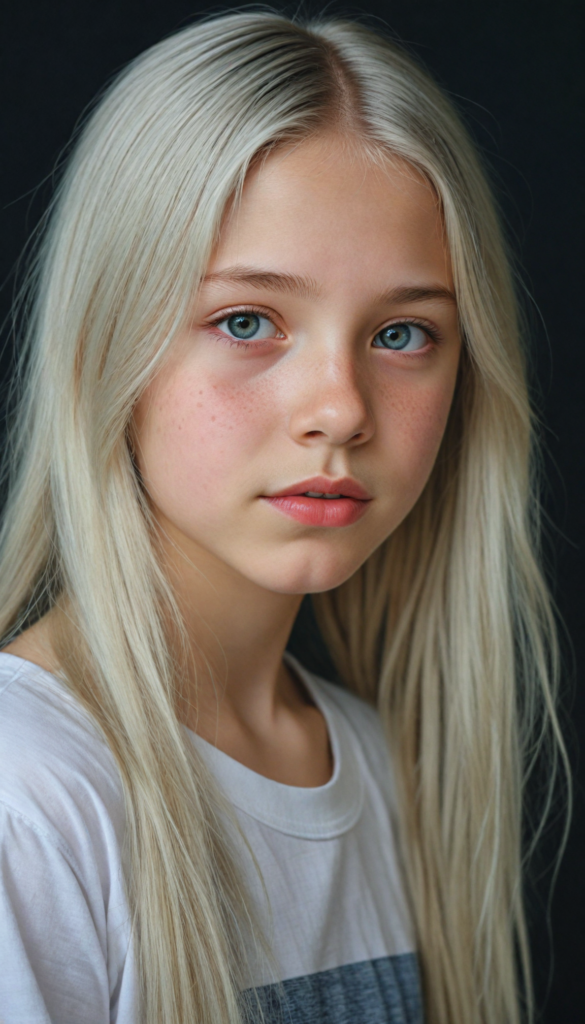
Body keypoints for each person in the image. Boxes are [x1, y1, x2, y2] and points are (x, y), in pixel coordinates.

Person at [0, 10, 567, 1024]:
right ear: (104, 346)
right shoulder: (28, 797)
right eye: (246, 321)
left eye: (402, 333)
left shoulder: (381, 771)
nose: (341, 409)